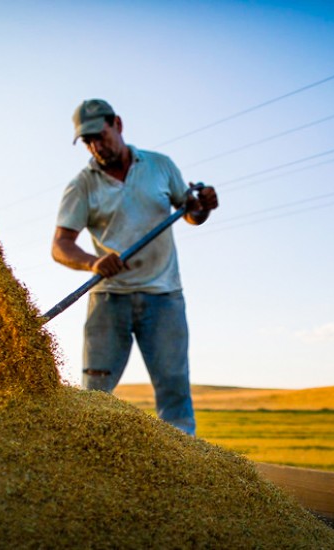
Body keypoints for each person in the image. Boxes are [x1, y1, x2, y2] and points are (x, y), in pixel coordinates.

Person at [52, 99, 218, 436]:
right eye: (88, 141)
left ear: (117, 124)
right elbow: (60, 246)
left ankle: (181, 460)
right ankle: (88, 453)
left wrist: (203, 207)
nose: (96, 146)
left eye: (100, 136)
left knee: (174, 388)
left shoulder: (160, 166)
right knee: (94, 394)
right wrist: (93, 262)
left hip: (164, 294)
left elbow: (190, 212)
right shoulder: (82, 185)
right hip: (109, 298)